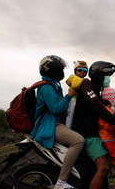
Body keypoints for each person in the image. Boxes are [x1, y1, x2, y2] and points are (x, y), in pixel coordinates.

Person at [71, 61, 115, 189]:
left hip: (93, 134)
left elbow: (106, 106)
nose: (108, 77)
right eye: (107, 74)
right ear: (98, 74)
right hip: (87, 135)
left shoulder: (98, 90)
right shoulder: (87, 85)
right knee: (104, 168)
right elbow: (97, 106)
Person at [31, 55, 85, 189]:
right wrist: (70, 94)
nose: (62, 72)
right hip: (49, 125)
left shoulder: (54, 85)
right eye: (60, 69)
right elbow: (55, 108)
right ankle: (61, 182)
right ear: (53, 71)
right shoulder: (47, 87)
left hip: (55, 123)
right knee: (78, 140)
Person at [98, 87, 115, 189]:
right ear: (110, 99)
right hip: (108, 139)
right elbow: (109, 126)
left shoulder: (108, 110)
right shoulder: (107, 111)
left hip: (105, 138)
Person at [65, 60, 88, 128]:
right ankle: (67, 130)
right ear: (75, 71)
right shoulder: (73, 77)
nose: (82, 72)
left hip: (79, 100)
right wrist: (83, 81)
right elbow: (75, 85)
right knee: (70, 115)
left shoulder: (81, 79)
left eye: (85, 70)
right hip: (73, 99)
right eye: (80, 70)